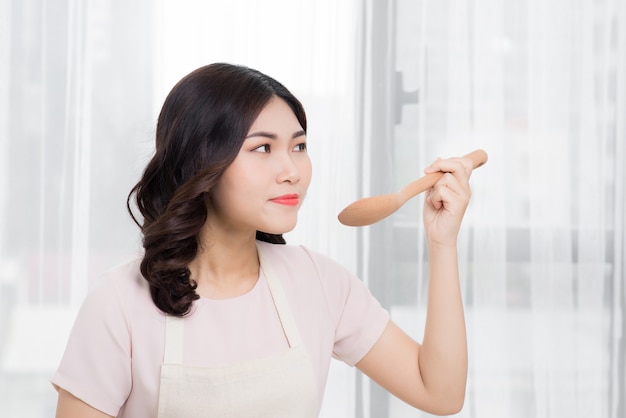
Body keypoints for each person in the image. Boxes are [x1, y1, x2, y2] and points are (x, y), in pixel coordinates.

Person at [52, 62, 472, 418]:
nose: (291, 170)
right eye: (262, 148)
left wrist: (442, 244)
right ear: (201, 160)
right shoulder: (120, 303)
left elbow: (439, 392)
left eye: (299, 146)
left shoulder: (319, 283)